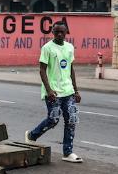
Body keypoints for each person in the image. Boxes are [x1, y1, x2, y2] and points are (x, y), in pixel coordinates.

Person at [26, 22, 83, 163]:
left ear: (66, 32)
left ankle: (67, 152)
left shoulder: (69, 48)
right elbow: (42, 70)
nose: (59, 34)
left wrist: (76, 90)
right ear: (52, 32)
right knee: (53, 120)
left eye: (62, 32)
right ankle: (32, 135)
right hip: (53, 92)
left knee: (71, 120)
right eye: (56, 31)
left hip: (68, 90)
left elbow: (70, 69)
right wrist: (49, 90)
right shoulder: (47, 48)